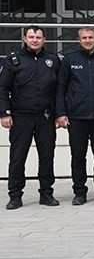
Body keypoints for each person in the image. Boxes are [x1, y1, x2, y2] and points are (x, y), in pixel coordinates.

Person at [0, 26, 61, 210]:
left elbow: (59, 90)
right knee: (18, 157)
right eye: (31, 37)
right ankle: (15, 195)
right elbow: (2, 88)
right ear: (24, 39)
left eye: (38, 37)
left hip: (45, 116)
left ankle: (46, 193)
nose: (35, 40)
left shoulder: (53, 60)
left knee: (47, 156)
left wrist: (59, 114)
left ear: (44, 40)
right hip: (21, 116)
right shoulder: (13, 60)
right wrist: (4, 113)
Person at [55, 27, 94, 205]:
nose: (87, 40)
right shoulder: (69, 60)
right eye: (84, 38)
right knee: (78, 156)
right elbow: (60, 88)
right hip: (76, 117)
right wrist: (61, 113)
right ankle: (79, 192)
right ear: (79, 40)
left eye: (90, 37)